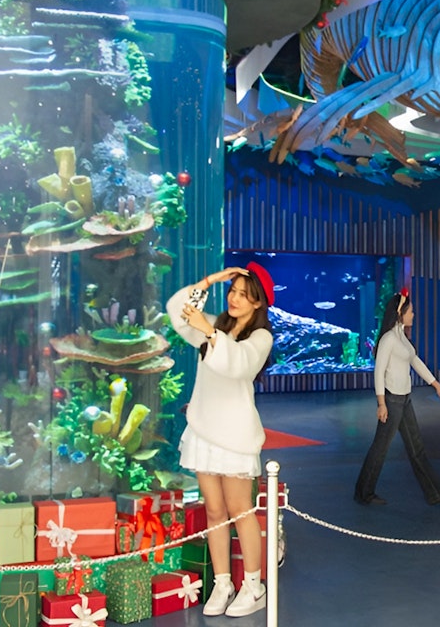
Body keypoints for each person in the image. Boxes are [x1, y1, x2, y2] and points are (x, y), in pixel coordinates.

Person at [167, 263, 274, 617]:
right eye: (233, 291)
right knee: (214, 511)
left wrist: (210, 333)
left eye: (245, 294)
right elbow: (177, 312)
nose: (235, 298)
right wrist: (210, 281)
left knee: (241, 511)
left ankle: (254, 585)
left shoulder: (260, 338)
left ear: (258, 303)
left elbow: (239, 365)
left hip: (236, 434)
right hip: (203, 429)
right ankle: (223, 583)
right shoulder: (212, 325)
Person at [353, 291, 440, 506]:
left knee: (415, 447)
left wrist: (437, 385)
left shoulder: (402, 337)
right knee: (380, 448)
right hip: (392, 401)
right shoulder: (389, 339)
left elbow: (416, 362)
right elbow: (379, 371)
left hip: (405, 400)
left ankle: (435, 491)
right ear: (400, 313)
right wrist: (381, 403)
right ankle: (363, 493)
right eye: (411, 311)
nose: (414, 314)